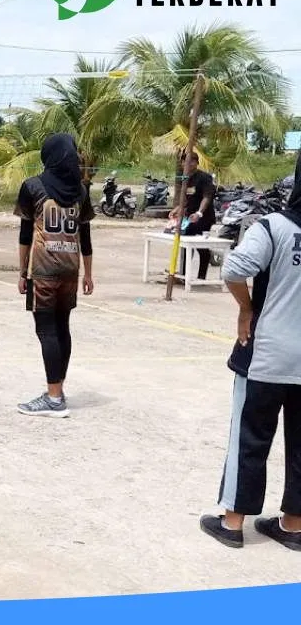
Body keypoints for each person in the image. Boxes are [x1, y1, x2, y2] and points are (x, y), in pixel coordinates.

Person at [199, 154, 301, 551]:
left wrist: (247, 308)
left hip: (267, 355)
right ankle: (292, 525)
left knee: (250, 437)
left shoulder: (273, 227)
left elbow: (233, 269)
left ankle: (233, 522)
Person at [13, 133, 95, 418]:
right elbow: (85, 236)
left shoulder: (33, 186)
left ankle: (54, 397)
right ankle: (57, 387)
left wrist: (22, 272)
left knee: (46, 330)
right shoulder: (81, 191)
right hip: (70, 271)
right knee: (63, 328)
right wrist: (88, 274)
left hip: (44, 271)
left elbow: (25, 234)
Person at [172, 149, 217, 281]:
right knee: (186, 245)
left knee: (201, 247)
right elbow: (186, 197)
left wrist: (199, 213)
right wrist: (178, 208)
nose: (188, 164)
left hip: (204, 217)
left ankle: (201, 277)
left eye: (191, 161)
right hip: (189, 217)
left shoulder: (204, 177)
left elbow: (207, 197)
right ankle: (184, 275)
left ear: (196, 163)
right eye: (185, 161)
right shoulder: (184, 178)